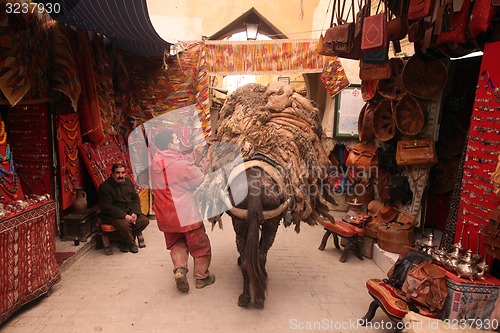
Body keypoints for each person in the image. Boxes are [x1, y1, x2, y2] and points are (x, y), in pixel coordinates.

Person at [150, 129, 214, 293]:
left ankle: (180, 269)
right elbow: (199, 178)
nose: (179, 141)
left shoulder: (154, 163)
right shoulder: (181, 165)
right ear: (170, 145)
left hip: (165, 214)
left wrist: (200, 150)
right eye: (176, 139)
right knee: (199, 245)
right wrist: (206, 161)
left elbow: (182, 160)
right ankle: (201, 277)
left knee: (177, 243)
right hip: (185, 212)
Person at [98, 163, 150, 254]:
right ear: (113, 173)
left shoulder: (128, 182)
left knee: (144, 221)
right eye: (117, 173)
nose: (120, 176)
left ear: (125, 173)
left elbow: (135, 198)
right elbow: (107, 206)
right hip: (114, 216)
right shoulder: (105, 187)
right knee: (124, 225)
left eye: (122, 173)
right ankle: (130, 244)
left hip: (129, 212)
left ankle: (123, 241)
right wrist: (124, 216)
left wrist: (135, 213)